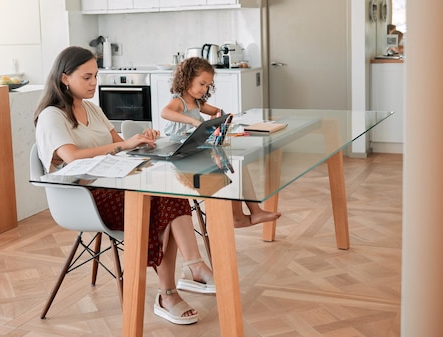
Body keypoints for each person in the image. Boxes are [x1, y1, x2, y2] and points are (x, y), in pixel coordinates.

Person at [33, 46, 215, 326]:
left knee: (170, 195)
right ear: (65, 78)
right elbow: (70, 156)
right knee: (161, 202)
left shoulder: (92, 108)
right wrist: (122, 144)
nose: (94, 83)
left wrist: (141, 139)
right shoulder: (52, 115)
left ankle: (189, 271)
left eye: (95, 76)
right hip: (84, 197)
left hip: (114, 183)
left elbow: (117, 144)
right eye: (87, 77)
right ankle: (174, 288)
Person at [160, 57, 282, 228]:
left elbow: (217, 111)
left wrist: (215, 119)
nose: (205, 89)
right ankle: (237, 218)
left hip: (195, 154)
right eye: (202, 84)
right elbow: (165, 113)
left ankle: (255, 212)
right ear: (187, 79)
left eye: (208, 86)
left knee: (238, 167)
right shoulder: (178, 101)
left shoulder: (196, 102)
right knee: (226, 170)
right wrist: (193, 122)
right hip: (180, 160)